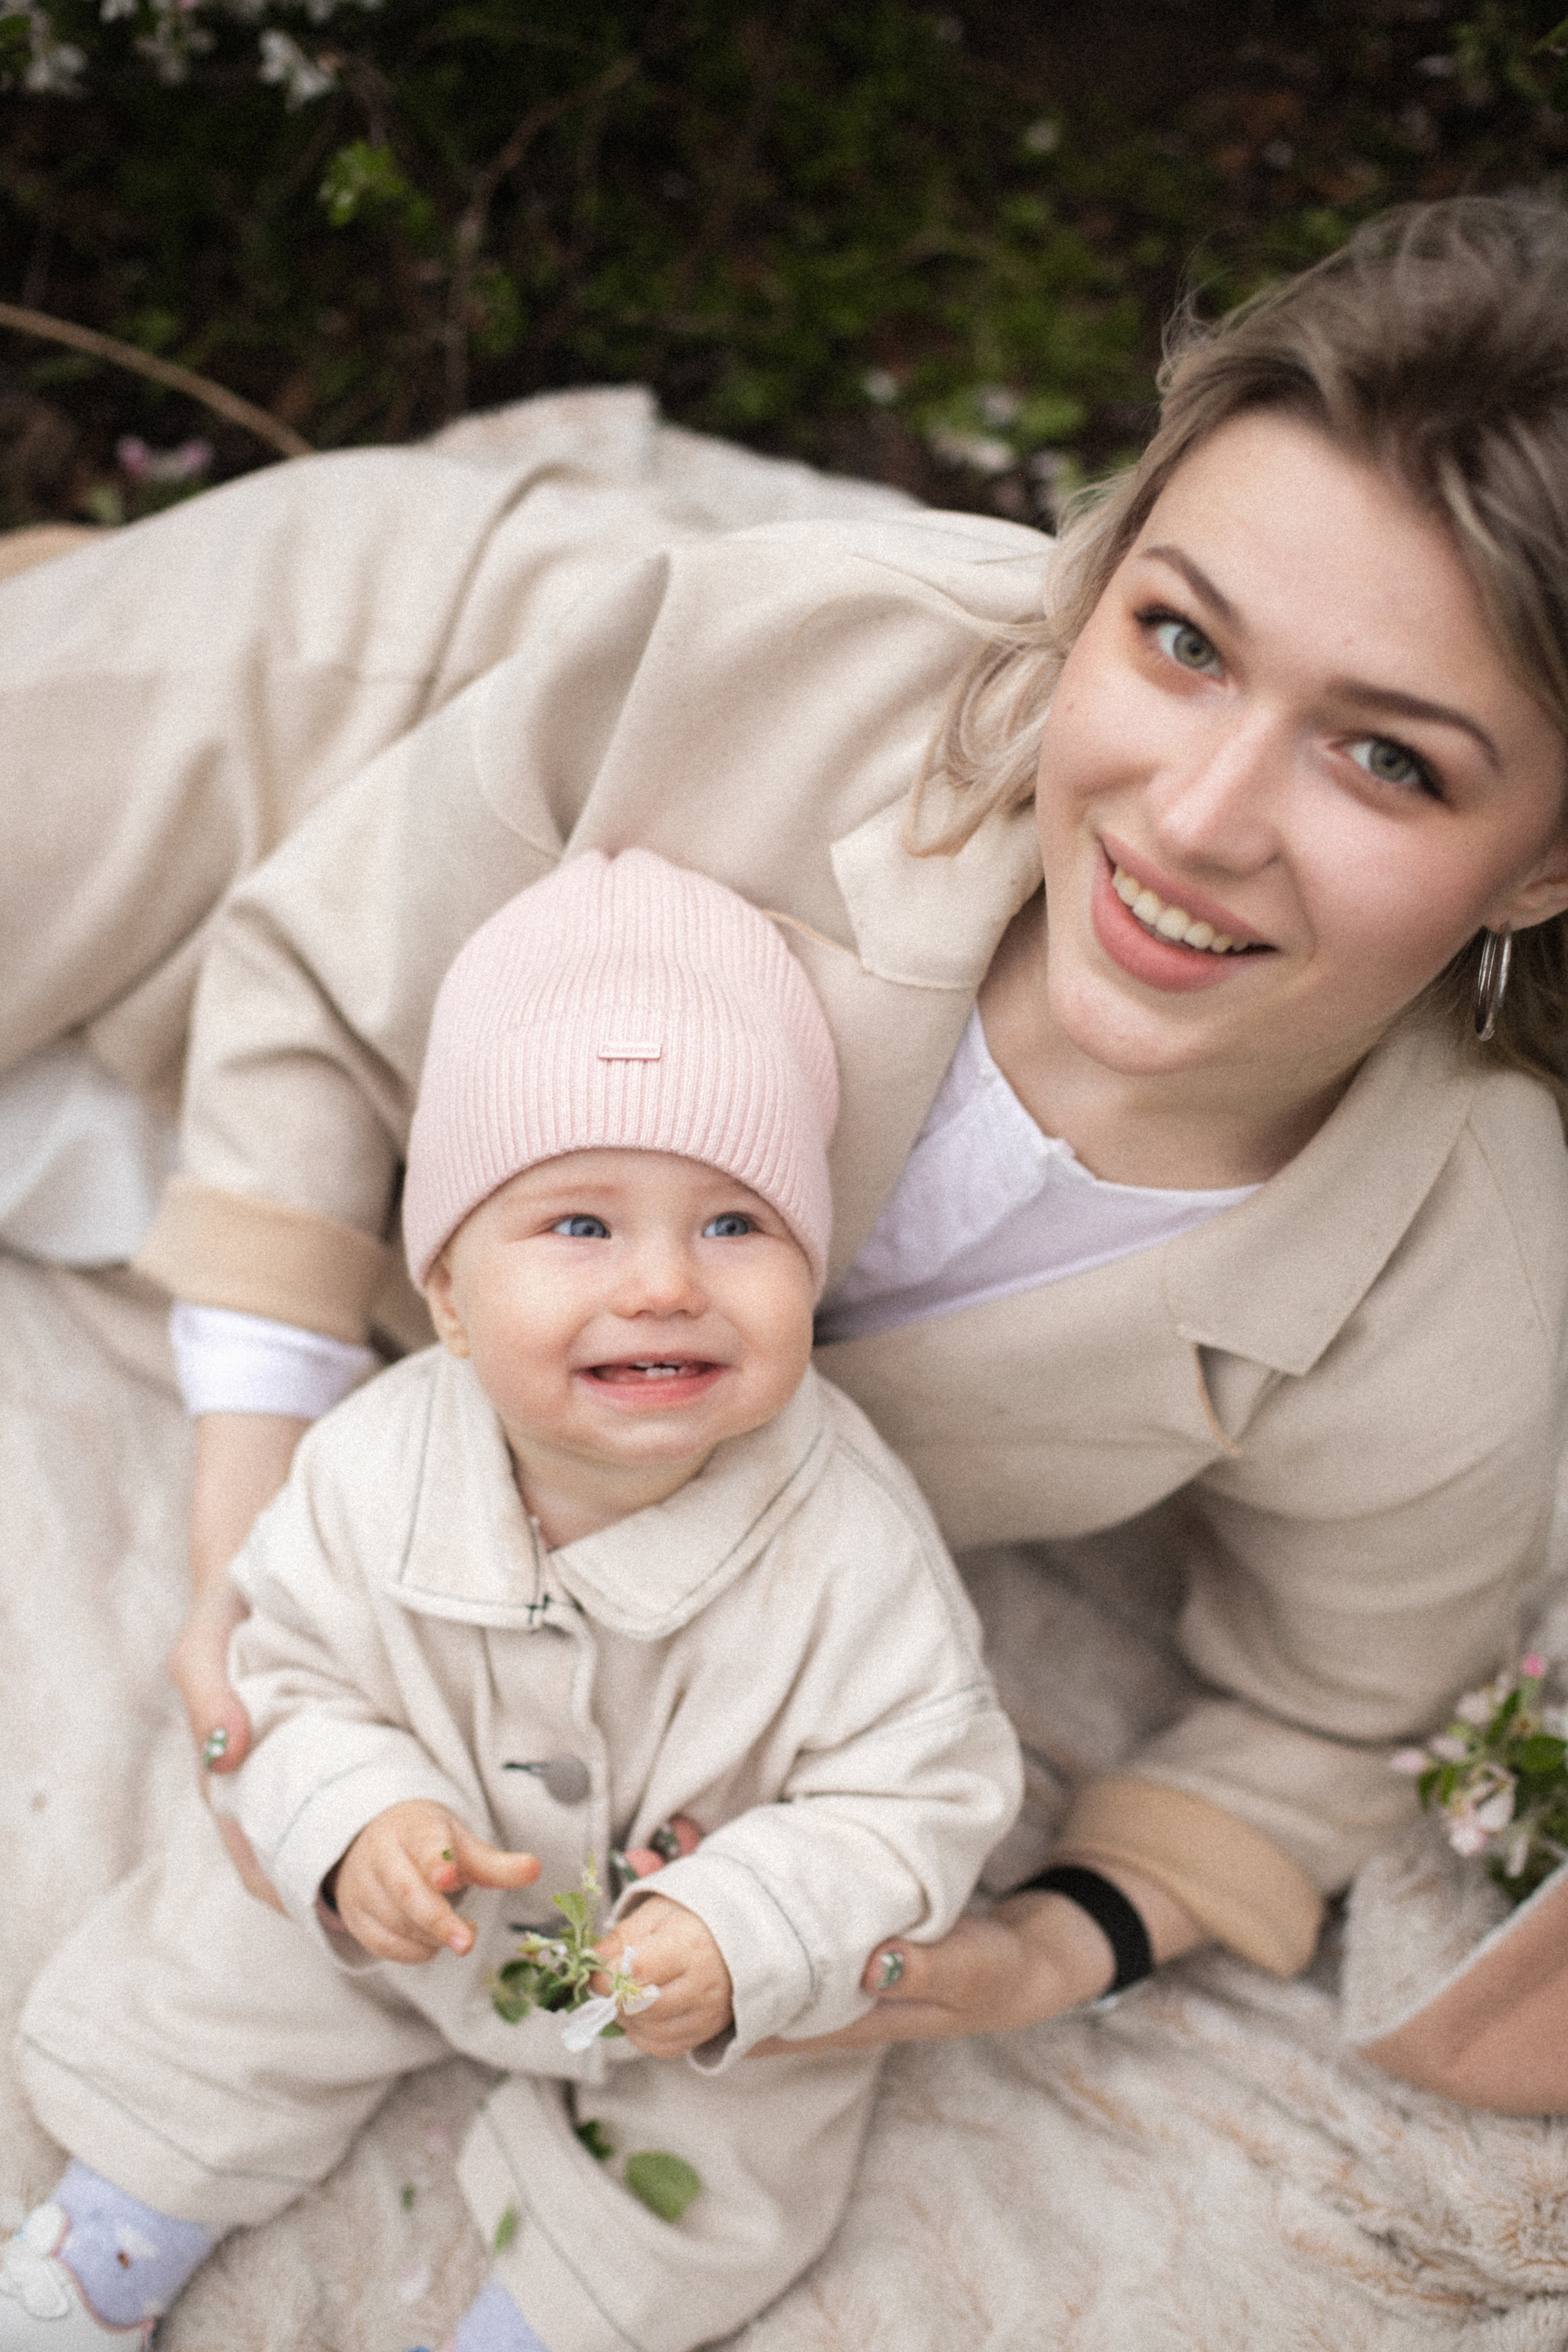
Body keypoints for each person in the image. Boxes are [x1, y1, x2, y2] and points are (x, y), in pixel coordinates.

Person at [2, 192, 1567, 2109]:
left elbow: (1332, 1716)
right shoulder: (804, 646)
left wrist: (1033, 1952)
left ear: (1550, 860)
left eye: (1388, 758)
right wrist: (241, 1527)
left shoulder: (1448, 1264)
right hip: (319, 721)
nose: (1200, 818)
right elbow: (332, 983)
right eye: (1179, 642)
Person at [4, 850, 1022, 2352]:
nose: (666, 1283)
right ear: (452, 1299)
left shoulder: (849, 1544)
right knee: (235, 1944)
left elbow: (921, 1788)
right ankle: (117, 2225)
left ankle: (541, 2319)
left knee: (743, 2142)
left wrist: (744, 1925)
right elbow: (283, 1669)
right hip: (430, 1913)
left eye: (735, 1227)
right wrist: (356, 1824)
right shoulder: (368, 1467)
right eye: (581, 1227)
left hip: (673, 1969)